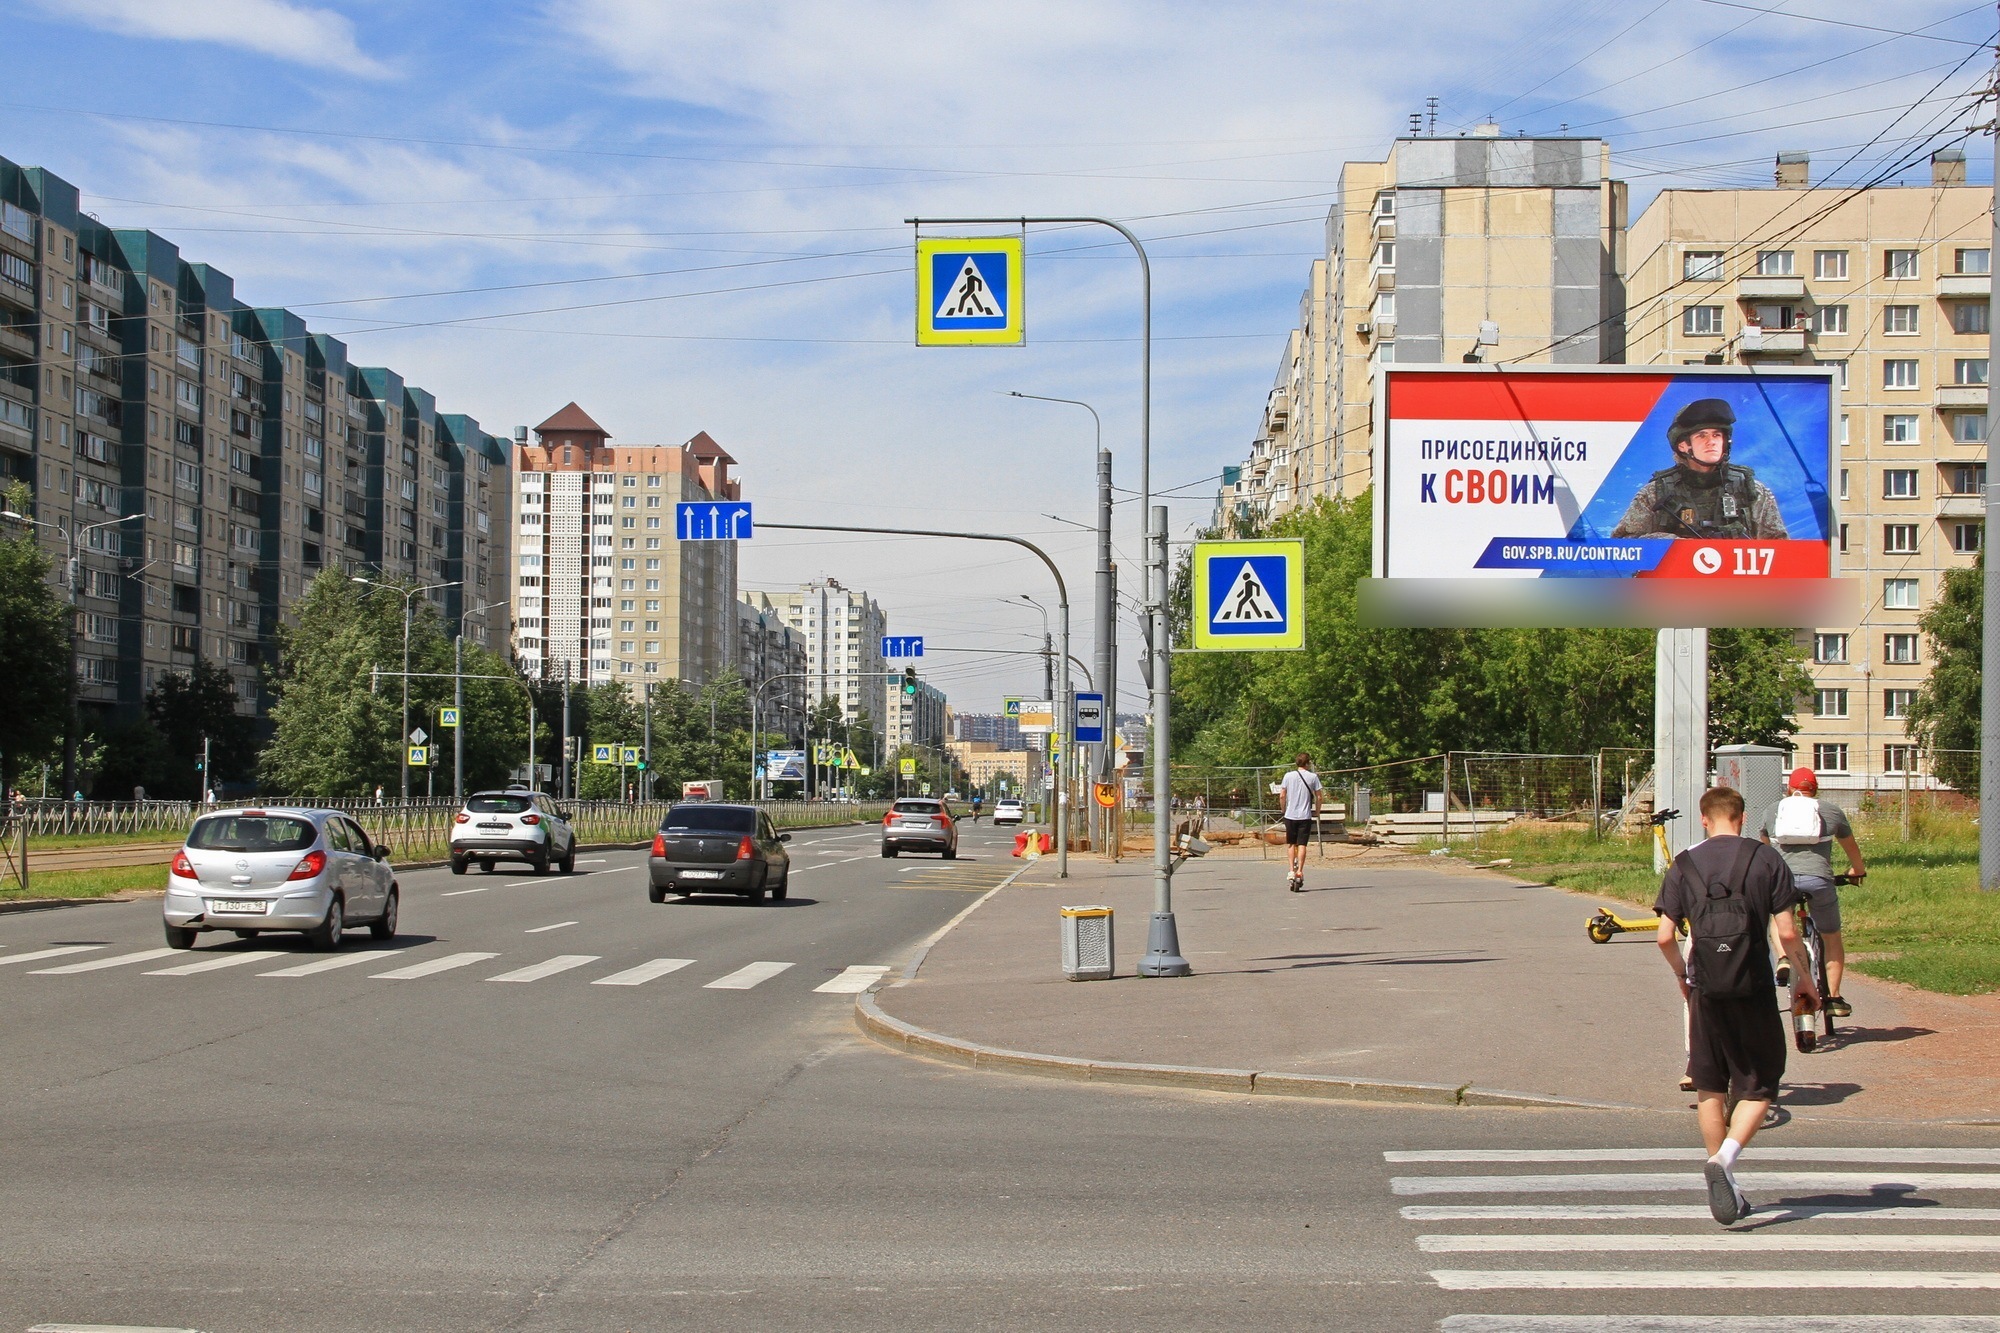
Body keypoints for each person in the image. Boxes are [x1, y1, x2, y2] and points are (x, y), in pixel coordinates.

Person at [1654, 785, 1816, 1226]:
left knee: (1709, 1084)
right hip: (1753, 986)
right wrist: (1804, 980)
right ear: (1742, 819)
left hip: (1705, 987)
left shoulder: (1684, 863)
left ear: (1704, 820)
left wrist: (1682, 977)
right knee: (1760, 1084)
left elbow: (1664, 937)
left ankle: (1721, 1175)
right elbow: (1787, 932)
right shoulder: (1766, 859)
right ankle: (1724, 1161)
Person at [1758, 766, 1864, 1017]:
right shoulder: (1831, 811)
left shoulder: (1773, 810)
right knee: (1831, 936)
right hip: (1819, 880)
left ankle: (1783, 958)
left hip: (1784, 881)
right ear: (1815, 790)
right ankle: (1834, 999)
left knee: (1778, 917)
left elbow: (1766, 849)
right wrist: (1857, 871)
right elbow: (1851, 848)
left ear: (1789, 789)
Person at [1611, 398, 1788, 540]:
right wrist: (1670, 544)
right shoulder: (1655, 493)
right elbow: (1623, 547)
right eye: (1702, 436)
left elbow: (1781, 551)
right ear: (1683, 445)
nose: (1711, 442)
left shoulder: (1752, 491)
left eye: (1716, 435)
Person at [1278, 752, 1323, 893]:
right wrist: (1317, 811)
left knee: (1291, 844)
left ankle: (1291, 870)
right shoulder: (1313, 777)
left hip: (1290, 815)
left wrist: (1283, 809)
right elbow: (1319, 797)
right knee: (1302, 844)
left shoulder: (1288, 776)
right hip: (1305, 816)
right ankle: (1300, 871)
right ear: (1307, 763)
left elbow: (1282, 795)